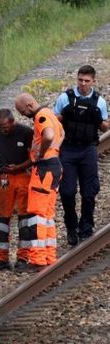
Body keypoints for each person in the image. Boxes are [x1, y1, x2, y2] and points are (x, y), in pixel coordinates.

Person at [53, 65, 110, 245]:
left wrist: (98, 119)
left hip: (87, 150)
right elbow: (53, 122)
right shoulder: (65, 98)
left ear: (93, 81)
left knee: (89, 192)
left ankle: (86, 226)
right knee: (67, 192)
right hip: (68, 149)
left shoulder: (99, 101)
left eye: (87, 81)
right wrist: (65, 114)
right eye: (80, 80)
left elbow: (105, 126)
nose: (83, 84)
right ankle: (71, 227)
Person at [15, 93, 64, 271]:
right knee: (47, 216)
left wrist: (41, 154)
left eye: (22, 111)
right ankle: (49, 255)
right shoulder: (50, 114)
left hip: (44, 169)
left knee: (36, 214)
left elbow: (49, 135)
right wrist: (53, 151)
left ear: (29, 105)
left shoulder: (41, 116)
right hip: (55, 166)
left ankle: (37, 259)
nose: (22, 115)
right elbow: (61, 133)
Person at [0, 109, 34, 271]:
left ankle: (23, 257)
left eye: (5, 127)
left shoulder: (26, 132)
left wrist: (18, 167)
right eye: (0, 127)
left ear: (13, 122)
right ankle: (1, 258)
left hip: (23, 176)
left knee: (25, 217)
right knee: (1, 217)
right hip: (5, 177)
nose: (3, 130)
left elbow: (33, 157)